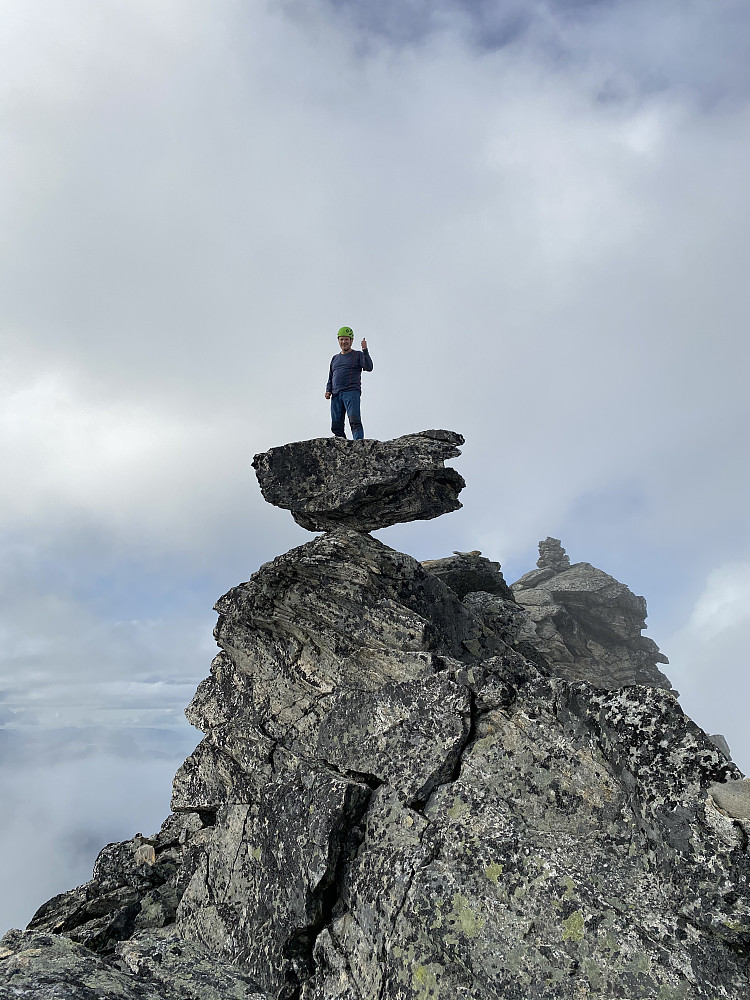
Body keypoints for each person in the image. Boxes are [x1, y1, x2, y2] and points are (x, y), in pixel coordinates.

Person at [325, 326, 373, 440]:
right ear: (338, 340)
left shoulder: (357, 355)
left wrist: (365, 351)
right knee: (336, 425)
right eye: (341, 339)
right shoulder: (334, 358)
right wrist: (328, 390)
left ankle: (358, 443)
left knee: (354, 421)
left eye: (346, 339)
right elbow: (331, 376)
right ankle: (342, 445)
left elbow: (369, 367)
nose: (344, 342)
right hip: (336, 394)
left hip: (351, 392)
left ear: (351, 340)